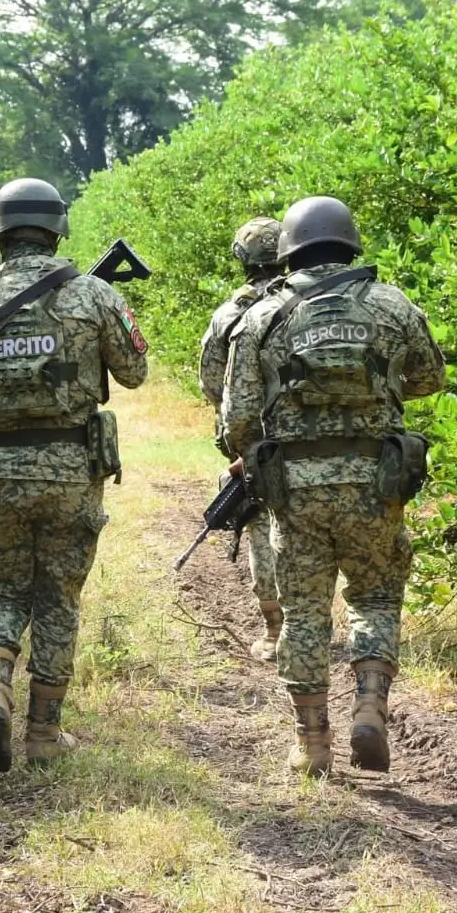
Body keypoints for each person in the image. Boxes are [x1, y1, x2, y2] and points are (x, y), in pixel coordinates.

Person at [0, 178, 149, 772]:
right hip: (71, 471)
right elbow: (134, 372)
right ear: (56, 231)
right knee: (57, 596)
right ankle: (44, 732)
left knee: (2, 590)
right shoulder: (94, 294)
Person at [222, 196, 445, 777]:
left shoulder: (263, 315)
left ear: (289, 251)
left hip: (296, 492)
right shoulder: (392, 304)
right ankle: (369, 705)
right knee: (375, 597)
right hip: (377, 482)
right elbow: (429, 377)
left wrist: (262, 444)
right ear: (349, 244)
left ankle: (312, 743)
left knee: (303, 613)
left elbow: (237, 418)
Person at [199, 217, 286, 661]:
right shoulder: (308, 299)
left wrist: (244, 442)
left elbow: (213, 385)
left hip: (254, 443)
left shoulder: (230, 313)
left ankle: (275, 630)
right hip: (309, 436)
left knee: (262, 528)